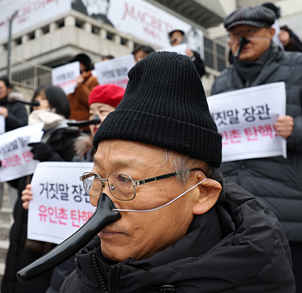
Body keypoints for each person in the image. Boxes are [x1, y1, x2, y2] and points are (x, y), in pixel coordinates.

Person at [55, 52, 295, 291]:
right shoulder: (81, 278)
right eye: (97, 178)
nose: (99, 203)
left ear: (201, 193)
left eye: (125, 180)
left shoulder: (258, 281)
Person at [212, 5, 302, 291]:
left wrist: (296, 130)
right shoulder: (222, 81)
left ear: (271, 33)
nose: (241, 40)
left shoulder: (298, 66)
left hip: (287, 206)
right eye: (234, 35)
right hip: (234, 208)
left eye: (248, 33)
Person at [21, 84, 125, 293]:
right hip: (72, 247)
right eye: (91, 112)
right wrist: (37, 196)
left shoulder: (127, 155)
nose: (94, 118)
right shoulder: (82, 152)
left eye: (102, 111)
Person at [1, 85, 82, 293]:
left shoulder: (71, 137)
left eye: (43, 99)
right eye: (36, 98)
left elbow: (75, 183)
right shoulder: (28, 136)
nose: (37, 103)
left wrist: (49, 156)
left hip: (48, 228)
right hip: (23, 218)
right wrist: (6, 165)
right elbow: (19, 183)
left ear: (57, 103)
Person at [0, 77, 28, 223]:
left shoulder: (18, 105)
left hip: (12, 153)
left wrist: (7, 116)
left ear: (9, 88)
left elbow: (24, 125)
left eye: (0, 88)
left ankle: (15, 216)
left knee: (14, 186)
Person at [67, 54, 99, 131]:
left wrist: (80, 87)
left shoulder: (93, 80)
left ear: (84, 65)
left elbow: (92, 101)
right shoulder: (71, 82)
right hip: (71, 125)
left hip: (86, 126)